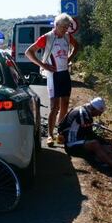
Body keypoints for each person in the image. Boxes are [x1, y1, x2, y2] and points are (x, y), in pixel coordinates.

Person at [25, 13, 79, 147]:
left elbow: (77, 46)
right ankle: (50, 135)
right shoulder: (47, 37)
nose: (65, 30)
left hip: (65, 73)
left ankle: (60, 132)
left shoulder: (67, 36)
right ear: (56, 25)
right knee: (54, 106)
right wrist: (43, 65)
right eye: (63, 27)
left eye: (67, 27)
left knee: (65, 104)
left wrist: (69, 59)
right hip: (53, 75)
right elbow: (28, 52)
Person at [59, 97, 112, 171]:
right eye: (99, 112)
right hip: (71, 145)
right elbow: (89, 134)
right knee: (95, 144)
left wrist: (106, 143)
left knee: (107, 147)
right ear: (95, 109)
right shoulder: (83, 115)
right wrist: (104, 142)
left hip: (78, 141)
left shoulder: (83, 110)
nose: (99, 115)